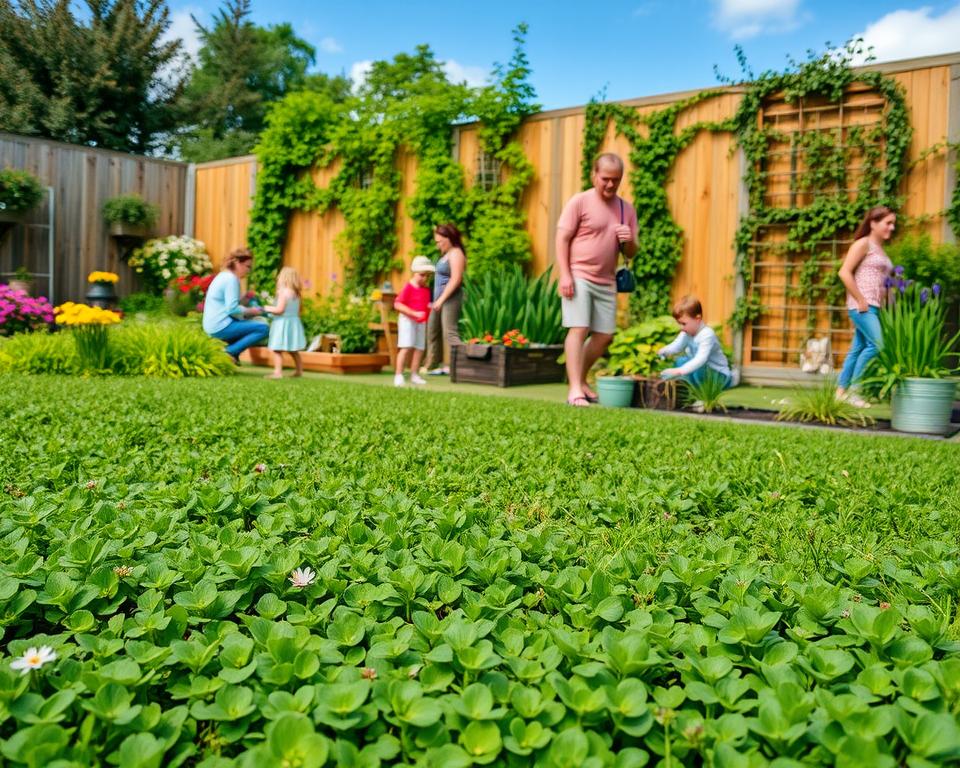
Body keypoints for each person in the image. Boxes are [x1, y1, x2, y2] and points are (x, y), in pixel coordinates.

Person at [556, 152, 637, 406]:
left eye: (616, 179)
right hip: (579, 274)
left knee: (604, 335)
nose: (610, 184)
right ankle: (574, 391)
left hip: (607, 280)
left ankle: (579, 379)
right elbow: (562, 238)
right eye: (605, 179)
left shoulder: (626, 209)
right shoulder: (579, 202)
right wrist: (565, 274)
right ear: (594, 175)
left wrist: (629, 240)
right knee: (579, 328)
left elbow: (632, 253)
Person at [836, 205, 896, 408]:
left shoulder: (880, 249)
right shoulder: (863, 244)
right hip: (862, 306)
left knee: (858, 348)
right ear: (873, 223)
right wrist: (860, 299)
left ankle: (840, 392)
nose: (892, 227)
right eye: (888, 223)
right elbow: (844, 272)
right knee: (877, 345)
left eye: (893, 223)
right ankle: (855, 391)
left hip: (875, 306)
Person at [202, 247, 268, 363]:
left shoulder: (223, 275)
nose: (249, 270)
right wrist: (251, 311)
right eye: (247, 266)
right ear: (237, 263)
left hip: (213, 324)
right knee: (263, 328)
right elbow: (232, 309)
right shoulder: (230, 279)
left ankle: (233, 356)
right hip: (220, 325)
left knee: (247, 325)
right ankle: (229, 352)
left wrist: (245, 300)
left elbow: (227, 304)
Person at [658, 295, 732, 388]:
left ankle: (702, 396)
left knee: (697, 368)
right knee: (681, 361)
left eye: (684, 323)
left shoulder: (707, 334)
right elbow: (676, 346)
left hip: (719, 375)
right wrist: (664, 351)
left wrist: (679, 371)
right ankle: (693, 391)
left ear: (698, 319)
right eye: (679, 324)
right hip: (704, 371)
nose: (681, 327)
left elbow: (700, 359)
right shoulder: (686, 332)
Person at [423, 223, 466, 375]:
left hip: (451, 298)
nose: (438, 245)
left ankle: (458, 365)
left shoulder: (456, 253)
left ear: (449, 238)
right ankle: (432, 364)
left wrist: (441, 300)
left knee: (450, 332)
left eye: (439, 241)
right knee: (432, 330)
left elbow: (456, 279)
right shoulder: (445, 255)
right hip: (438, 299)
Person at [393, 256, 435, 387]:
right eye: (422, 275)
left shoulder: (426, 290)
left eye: (427, 276)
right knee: (406, 347)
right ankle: (399, 375)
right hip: (408, 321)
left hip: (421, 322)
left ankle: (414, 374)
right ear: (414, 273)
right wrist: (413, 313)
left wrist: (430, 308)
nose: (425, 278)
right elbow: (398, 304)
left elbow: (425, 305)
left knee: (419, 348)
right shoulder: (409, 287)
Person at [262, 266, 306, 379]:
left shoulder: (283, 293)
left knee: (277, 349)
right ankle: (299, 371)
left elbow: (279, 310)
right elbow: (298, 311)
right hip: (293, 323)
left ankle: (278, 372)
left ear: (283, 279)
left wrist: (267, 308)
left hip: (282, 324)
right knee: (293, 350)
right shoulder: (296, 294)